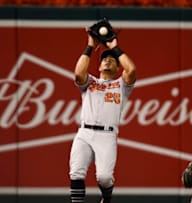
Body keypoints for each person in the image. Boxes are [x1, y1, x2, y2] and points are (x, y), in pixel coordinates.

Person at [69, 28, 136, 203]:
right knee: (76, 172)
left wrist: (115, 47)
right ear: (99, 66)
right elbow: (78, 74)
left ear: (116, 67)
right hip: (84, 133)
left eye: (112, 60)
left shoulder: (121, 85)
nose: (107, 61)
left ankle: (107, 198)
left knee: (104, 178)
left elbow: (131, 69)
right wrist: (90, 46)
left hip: (107, 135)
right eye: (104, 59)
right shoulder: (91, 81)